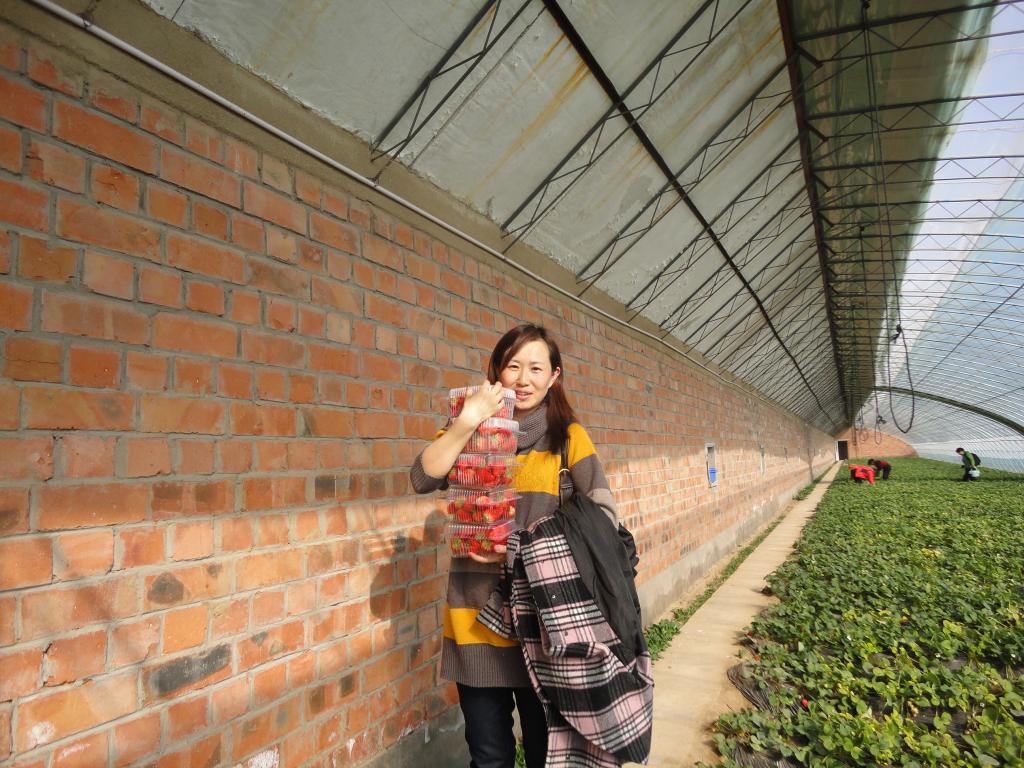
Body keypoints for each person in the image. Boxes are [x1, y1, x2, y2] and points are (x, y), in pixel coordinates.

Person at [410, 324, 618, 768]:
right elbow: (422, 477)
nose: (523, 379)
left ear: (554, 376)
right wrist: (468, 419)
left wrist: (513, 548)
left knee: (548, 756)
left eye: (536, 369)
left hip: (544, 624)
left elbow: (603, 521)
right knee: (489, 758)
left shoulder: (568, 438)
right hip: (474, 620)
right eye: (513, 366)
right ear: (497, 372)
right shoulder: (470, 430)